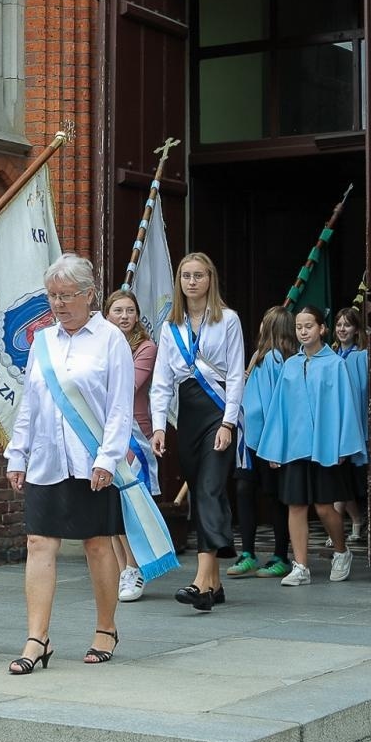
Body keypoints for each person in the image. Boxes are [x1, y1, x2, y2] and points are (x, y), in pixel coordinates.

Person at [4, 256, 135, 673]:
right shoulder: (42, 342)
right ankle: (36, 639)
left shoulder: (111, 339)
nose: (58, 304)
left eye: (66, 296)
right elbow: (29, 405)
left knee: (97, 543)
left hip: (92, 458)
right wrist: (17, 453)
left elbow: (120, 407)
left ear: (89, 294)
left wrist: (108, 458)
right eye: (52, 296)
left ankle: (105, 628)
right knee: (39, 543)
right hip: (46, 457)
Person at [149, 253, 245, 612]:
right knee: (205, 495)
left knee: (208, 489)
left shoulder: (228, 320)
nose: (192, 281)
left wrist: (229, 422)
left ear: (210, 279)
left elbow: (236, 374)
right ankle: (216, 583)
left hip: (218, 410)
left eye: (199, 275)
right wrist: (159, 426)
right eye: (186, 276)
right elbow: (161, 382)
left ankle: (201, 584)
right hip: (187, 412)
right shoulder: (170, 326)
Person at [260, 307, 366, 586]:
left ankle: (341, 551)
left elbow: (346, 406)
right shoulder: (290, 365)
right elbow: (278, 409)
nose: (303, 331)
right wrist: (274, 448)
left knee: (324, 506)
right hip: (295, 446)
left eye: (309, 326)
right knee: (295, 505)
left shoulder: (335, 364)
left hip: (325, 445)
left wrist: (345, 446)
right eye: (299, 327)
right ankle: (301, 566)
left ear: (322, 329)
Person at [226, 307, 296, 580]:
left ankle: (280, 555)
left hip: (267, 439)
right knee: (244, 489)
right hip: (247, 440)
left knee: (274, 496)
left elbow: (273, 403)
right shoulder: (258, 356)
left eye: (264, 323)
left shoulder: (277, 358)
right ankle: (248, 552)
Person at [103, 289, 158, 603]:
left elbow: (128, 386)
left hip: (134, 436)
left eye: (130, 311)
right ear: (107, 314)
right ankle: (123, 569)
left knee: (130, 508)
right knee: (111, 508)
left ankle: (135, 569)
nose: (124, 317)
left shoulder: (146, 347)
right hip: (105, 433)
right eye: (118, 311)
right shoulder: (100, 345)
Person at [331, 305, 370, 548]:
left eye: (347, 324)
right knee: (338, 478)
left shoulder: (361, 356)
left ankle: (344, 526)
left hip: (356, 424)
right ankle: (354, 520)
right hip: (334, 426)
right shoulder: (331, 356)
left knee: (351, 479)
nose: (342, 329)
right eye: (339, 324)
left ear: (356, 330)